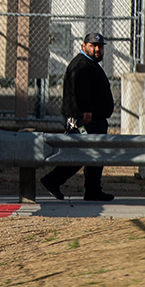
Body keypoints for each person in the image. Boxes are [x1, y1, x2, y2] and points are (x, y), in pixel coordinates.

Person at [43, 31, 115, 202]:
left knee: (93, 154)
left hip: (94, 120)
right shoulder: (81, 65)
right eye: (93, 46)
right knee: (82, 153)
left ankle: (93, 190)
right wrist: (86, 111)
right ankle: (53, 180)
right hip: (84, 121)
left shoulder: (90, 64)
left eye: (100, 46)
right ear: (84, 46)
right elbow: (79, 90)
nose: (97, 49)